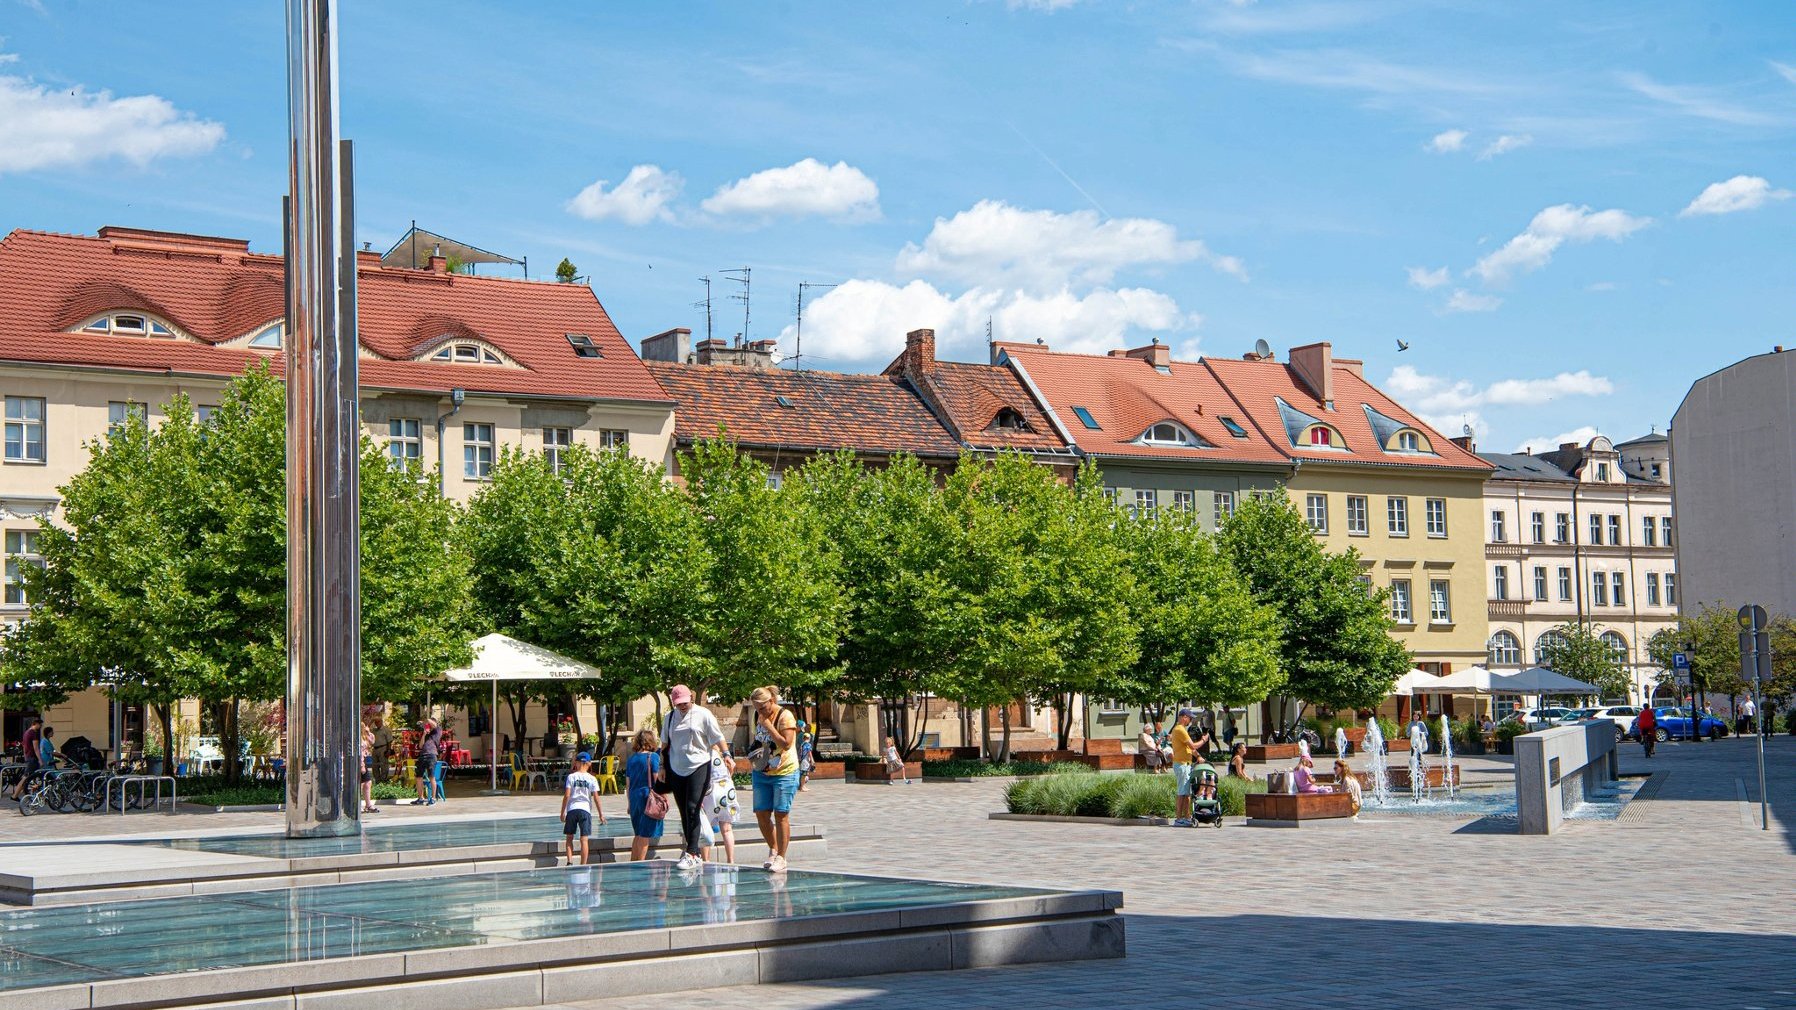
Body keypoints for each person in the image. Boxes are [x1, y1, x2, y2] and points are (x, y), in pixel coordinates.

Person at [659, 685, 724, 871]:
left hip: (699, 765)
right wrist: (662, 766)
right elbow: (664, 743)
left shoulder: (703, 714)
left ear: (691, 699)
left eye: (685, 703)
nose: (682, 706)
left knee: (692, 807)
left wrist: (727, 755)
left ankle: (693, 852)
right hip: (677, 767)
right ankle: (691, 848)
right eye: (679, 704)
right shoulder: (670, 718)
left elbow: (717, 737)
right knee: (684, 811)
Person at [748, 686, 800, 872]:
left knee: (781, 814)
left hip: (784, 772)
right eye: (756, 708)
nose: (759, 712)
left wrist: (769, 726)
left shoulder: (785, 716)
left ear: (771, 701)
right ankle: (773, 848)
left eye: (762, 707)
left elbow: (786, 744)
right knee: (761, 813)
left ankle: (782, 857)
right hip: (762, 772)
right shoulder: (758, 716)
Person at [625, 727, 664, 861]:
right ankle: (640, 864)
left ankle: (633, 862)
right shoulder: (653, 757)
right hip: (648, 797)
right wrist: (663, 797)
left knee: (637, 834)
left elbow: (628, 784)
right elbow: (656, 778)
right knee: (644, 834)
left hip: (635, 796)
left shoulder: (631, 759)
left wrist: (629, 803)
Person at [560, 751, 605, 866]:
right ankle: (583, 865)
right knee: (584, 840)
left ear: (576, 763)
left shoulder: (571, 777)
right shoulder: (592, 779)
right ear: (589, 763)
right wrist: (601, 814)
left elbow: (567, 795)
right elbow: (596, 798)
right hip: (585, 810)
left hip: (572, 810)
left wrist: (563, 812)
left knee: (569, 838)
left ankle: (569, 861)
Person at [700, 744, 740, 864]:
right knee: (727, 829)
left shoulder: (703, 755)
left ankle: (706, 861)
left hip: (711, 791)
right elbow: (731, 771)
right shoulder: (722, 755)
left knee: (706, 828)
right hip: (727, 790)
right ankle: (730, 860)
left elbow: (701, 777)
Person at [1169, 709, 1198, 826]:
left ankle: (1186, 816)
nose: (1190, 720)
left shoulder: (1181, 730)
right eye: (1190, 718)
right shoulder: (1180, 729)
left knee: (1186, 793)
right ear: (1183, 717)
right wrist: (1203, 740)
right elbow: (1193, 745)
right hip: (1181, 764)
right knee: (1182, 792)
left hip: (1185, 764)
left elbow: (1189, 749)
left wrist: (1199, 757)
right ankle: (1178, 819)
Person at [11, 717, 41, 802]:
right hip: (33, 759)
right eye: (39, 724)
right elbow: (36, 748)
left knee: (33, 777)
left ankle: (35, 795)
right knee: (26, 778)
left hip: (29, 758)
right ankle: (15, 795)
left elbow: (24, 747)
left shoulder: (26, 733)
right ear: (35, 723)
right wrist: (40, 760)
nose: (40, 726)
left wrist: (25, 757)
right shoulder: (33, 733)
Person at [415, 718, 441, 805]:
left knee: (431, 777)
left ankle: (433, 798)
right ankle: (420, 798)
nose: (428, 725)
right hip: (423, 755)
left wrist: (426, 720)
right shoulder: (426, 734)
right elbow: (420, 746)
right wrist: (424, 734)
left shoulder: (437, 730)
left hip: (431, 755)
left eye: (429, 724)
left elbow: (433, 723)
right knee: (418, 777)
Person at [360, 722, 379, 814]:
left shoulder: (364, 736)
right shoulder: (356, 737)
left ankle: (368, 805)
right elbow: (358, 751)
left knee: (368, 782)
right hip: (359, 762)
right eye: (363, 727)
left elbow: (372, 742)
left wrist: (368, 733)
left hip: (364, 760)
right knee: (359, 784)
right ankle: (358, 804)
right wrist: (361, 765)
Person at [796, 722, 815, 792]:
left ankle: (801, 786)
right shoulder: (807, 744)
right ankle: (802, 787)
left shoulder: (802, 744)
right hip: (805, 760)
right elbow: (809, 752)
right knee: (804, 774)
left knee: (801, 773)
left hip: (800, 759)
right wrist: (812, 760)